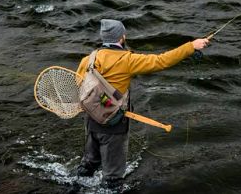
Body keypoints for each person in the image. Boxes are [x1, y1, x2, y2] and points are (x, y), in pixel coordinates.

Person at [75, 19, 211, 188]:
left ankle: (75, 186)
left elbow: (80, 87)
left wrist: (103, 101)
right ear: (122, 37)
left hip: (90, 120)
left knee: (89, 163)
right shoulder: (127, 60)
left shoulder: (87, 60)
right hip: (113, 124)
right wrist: (191, 46)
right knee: (113, 178)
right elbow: (162, 61)